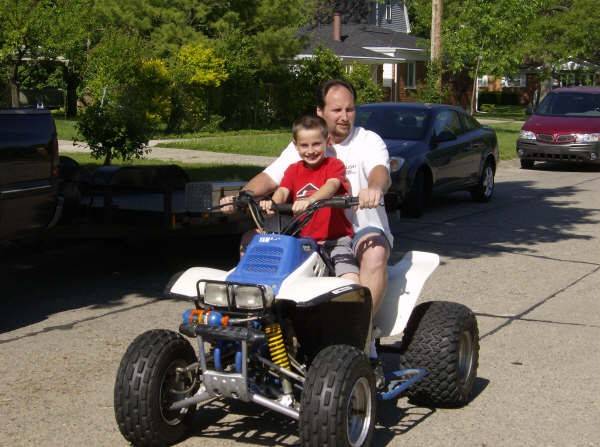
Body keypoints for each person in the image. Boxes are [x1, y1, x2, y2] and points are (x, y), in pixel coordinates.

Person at [222, 79, 392, 358]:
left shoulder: (367, 140)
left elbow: (379, 172)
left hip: (357, 229)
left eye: (350, 110)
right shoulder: (306, 143)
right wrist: (242, 196)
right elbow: (271, 177)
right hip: (307, 231)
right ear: (320, 111)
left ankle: (361, 338)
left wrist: (374, 189)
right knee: (252, 240)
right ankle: (255, 324)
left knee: (373, 251)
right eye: (337, 110)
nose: (345, 116)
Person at [260, 114, 359, 283]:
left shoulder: (334, 165)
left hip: (335, 241)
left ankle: (355, 307)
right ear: (295, 146)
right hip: (301, 242)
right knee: (275, 274)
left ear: (327, 141)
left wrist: (311, 200)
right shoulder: (293, 170)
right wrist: (273, 204)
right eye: (304, 145)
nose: (310, 150)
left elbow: (332, 185)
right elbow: (283, 191)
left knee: (349, 278)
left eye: (316, 144)